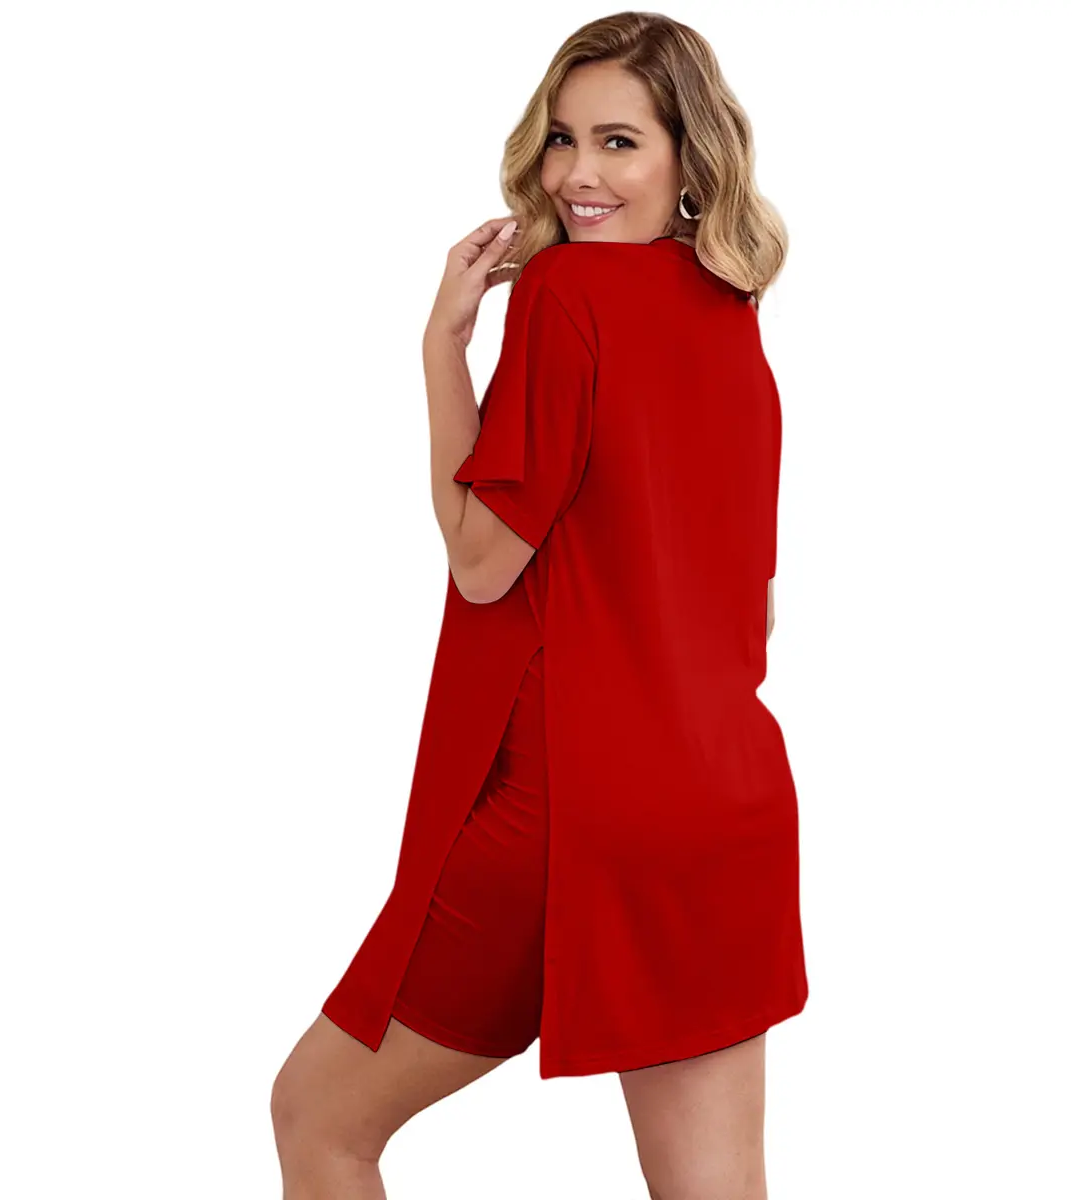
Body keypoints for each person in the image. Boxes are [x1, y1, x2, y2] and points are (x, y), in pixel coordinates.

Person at [272, 13, 806, 1199]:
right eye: (564, 139)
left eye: (619, 141)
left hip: (579, 805)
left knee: (318, 1118)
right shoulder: (731, 313)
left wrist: (442, 347)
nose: (576, 175)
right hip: (726, 806)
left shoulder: (567, 293)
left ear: (689, 158)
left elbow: (482, 562)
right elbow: (753, 605)